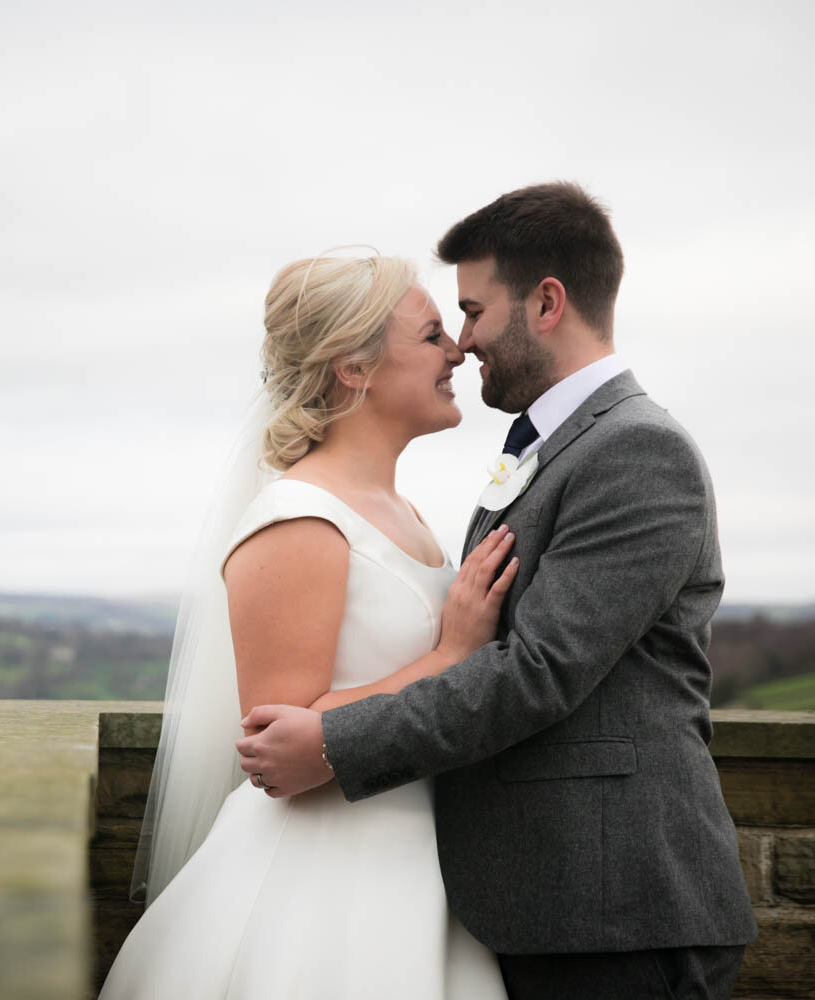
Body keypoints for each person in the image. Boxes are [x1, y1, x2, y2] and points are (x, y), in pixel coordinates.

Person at [235, 183, 758, 999]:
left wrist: (335, 744)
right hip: (532, 900)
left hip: (614, 908)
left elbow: (537, 672)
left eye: (472, 313)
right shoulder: (546, 451)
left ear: (546, 302)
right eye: (444, 324)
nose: (463, 343)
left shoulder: (635, 451)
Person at [99, 253, 515, 999]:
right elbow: (280, 743)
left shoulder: (404, 513)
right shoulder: (299, 520)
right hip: (323, 877)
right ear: (354, 368)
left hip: (419, 862)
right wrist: (452, 652)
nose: (457, 350)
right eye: (429, 337)